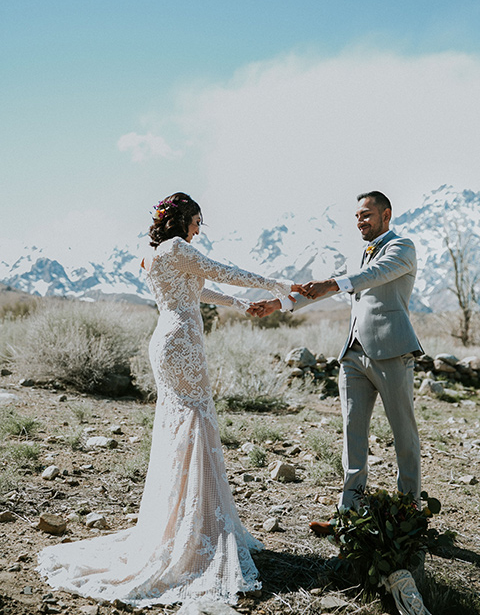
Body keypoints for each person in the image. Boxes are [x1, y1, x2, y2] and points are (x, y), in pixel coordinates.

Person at [37, 192, 295, 606]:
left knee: (184, 424)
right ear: (183, 219)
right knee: (195, 422)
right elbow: (222, 271)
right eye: (197, 220)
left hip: (169, 337)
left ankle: (189, 522)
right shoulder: (179, 248)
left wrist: (241, 304)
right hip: (182, 341)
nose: (199, 228)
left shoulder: (155, 254)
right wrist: (278, 285)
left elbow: (196, 293)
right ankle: (195, 530)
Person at [252, 191, 422, 532]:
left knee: (404, 435)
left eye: (366, 215)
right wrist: (278, 305)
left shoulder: (402, 248)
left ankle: (409, 514)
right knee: (352, 435)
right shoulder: (362, 256)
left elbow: (370, 276)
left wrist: (334, 281)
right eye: (357, 216)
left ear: (386, 215)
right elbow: (329, 288)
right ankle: (350, 513)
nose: (360, 221)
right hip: (353, 357)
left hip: (392, 353)